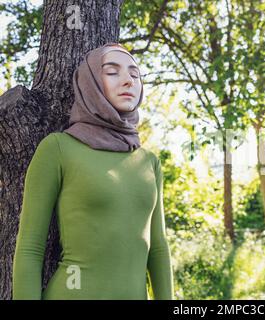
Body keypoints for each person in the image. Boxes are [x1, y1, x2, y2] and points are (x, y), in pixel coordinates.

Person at [12, 43, 174, 300]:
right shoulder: (58, 148)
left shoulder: (149, 162)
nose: (127, 81)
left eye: (135, 74)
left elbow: (158, 249)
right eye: (112, 72)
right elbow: (30, 248)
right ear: (90, 84)